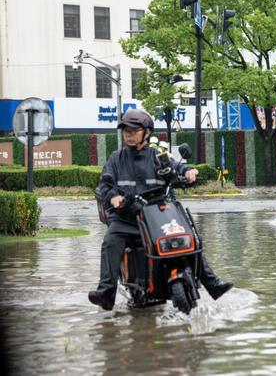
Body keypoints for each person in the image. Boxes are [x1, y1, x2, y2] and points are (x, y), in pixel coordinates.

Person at [88, 108, 232, 311]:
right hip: (126, 218)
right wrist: (114, 198)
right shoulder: (115, 158)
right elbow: (104, 186)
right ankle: (106, 292)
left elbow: (176, 168)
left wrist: (189, 171)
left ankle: (212, 284)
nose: (128, 134)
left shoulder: (157, 156)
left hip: (157, 217)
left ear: (146, 132)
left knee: (190, 237)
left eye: (133, 130)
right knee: (111, 241)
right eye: (126, 130)